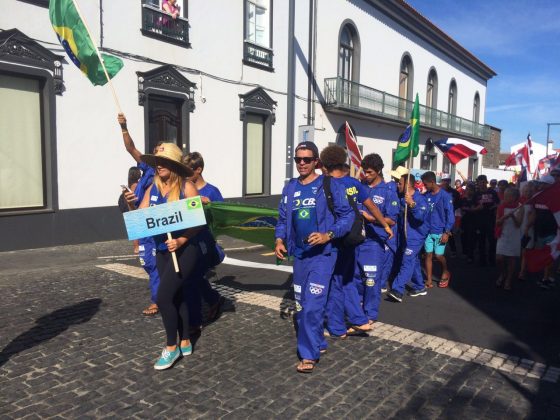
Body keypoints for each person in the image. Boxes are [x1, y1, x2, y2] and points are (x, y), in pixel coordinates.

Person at [126, 143, 209, 370]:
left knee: (163, 297)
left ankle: (171, 347)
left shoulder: (186, 187)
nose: (159, 166)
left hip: (184, 250)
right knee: (176, 296)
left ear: (173, 165)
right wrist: (131, 203)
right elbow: (141, 219)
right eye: (157, 163)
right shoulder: (153, 188)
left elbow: (199, 223)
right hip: (162, 250)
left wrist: (181, 240)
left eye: (163, 163)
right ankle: (184, 338)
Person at [274, 141, 353, 373]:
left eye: (307, 159)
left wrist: (328, 235)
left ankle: (308, 355)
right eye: (298, 159)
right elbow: (282, 219)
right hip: (300, 255)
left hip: (324, 256)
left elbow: (347, 217)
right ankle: (318, 341)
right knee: (302, 305)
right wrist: (279, 240)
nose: (301, 163)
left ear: (316, 161)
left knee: (312, 306)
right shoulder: (290, 187)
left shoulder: (328, 185)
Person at [319, 146, 393, 338]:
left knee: (339, 281)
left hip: (336, 238)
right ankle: (341, 325)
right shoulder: (354, 183)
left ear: (325, 166)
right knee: (343, 279)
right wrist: (385, 225)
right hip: (354, 238)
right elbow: (372, 206)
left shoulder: (327, 184)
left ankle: (353, 321)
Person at [118, 113, 161, 317]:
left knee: (153, 265)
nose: (156, 159)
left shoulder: (164, 176)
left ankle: (157, 300)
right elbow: (130, 148)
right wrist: (124, 127)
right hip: (141, 220)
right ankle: (161, 295)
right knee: (147, 262)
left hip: (156, 223)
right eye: (154, 155)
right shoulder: (147, 169)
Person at [182, 152, 225, 335]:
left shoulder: (212, 192)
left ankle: (195, 321)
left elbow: (223, 218)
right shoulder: (182, 189)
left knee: (192, 278)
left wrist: (208, 206)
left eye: (187, 171)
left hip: (205, 243)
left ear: (198, 170)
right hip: (186, 241)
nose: (183, 175)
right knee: (192, 279)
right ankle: (213, 300)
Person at [358, 153, 399, 324]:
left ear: (378, 171)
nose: (366, 176)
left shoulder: (389, 191)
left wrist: (371, 218)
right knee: (356, 278)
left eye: (369, 173)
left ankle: (370, 315)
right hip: (356, 240)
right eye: (364, 172)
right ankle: (356, 312)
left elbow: (392, 219)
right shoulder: (360, 187)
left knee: (371, 280)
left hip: (375, 241)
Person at [387, 173, 429, 302]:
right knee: (413, 261)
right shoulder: (401, 198)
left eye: (400, 183)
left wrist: (412, 204)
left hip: (416, 236)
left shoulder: (420, 199)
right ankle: (420, 286)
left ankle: (397, 290)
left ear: (407, 185)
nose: (397, 185)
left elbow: (420, 217)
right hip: (404, 235)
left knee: (407, 260)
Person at [422, 172, 455, 288]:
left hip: (440, 231)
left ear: (432, 182)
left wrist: (447, 231)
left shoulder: (445, 196)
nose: (424, 186)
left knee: (438, 255)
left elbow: (450, 215)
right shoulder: (426, 195)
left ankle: (445, 270)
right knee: (428, 255)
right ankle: (429, 280)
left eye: (425, 184)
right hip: (428, 231)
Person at [495, 187, 523, 290]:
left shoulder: (520, 207)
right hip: (502, 235)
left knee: (511, 259)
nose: (505, 198)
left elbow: (518, 224)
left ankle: (508, 279)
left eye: (508, 196)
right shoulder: (501, 207)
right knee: (499, 258)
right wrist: (504, 217)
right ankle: (503, 273)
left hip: (514, 236)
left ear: (515, 197)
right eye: (505, 196)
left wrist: (513, 217)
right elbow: (497, 222)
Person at [473, 174, 500, 267]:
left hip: (491, 220)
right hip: (479, 221)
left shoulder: (492, 192)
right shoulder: (476, 194)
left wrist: (494, 207)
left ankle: (491, 259)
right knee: (481, 241)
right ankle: (482, 260)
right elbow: (472, 207)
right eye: (480, 182)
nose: (482, 184)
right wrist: (477, 208)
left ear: (486, 182)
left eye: (483, 182)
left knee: (492, 241)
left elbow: (498, 204)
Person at [459, 184, 477, 263]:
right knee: (463, 237)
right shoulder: (463, 199)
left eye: (470, 190)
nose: (469, 191)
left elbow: (475, 209)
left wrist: (470, 209)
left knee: (471, 238)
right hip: (464, 221)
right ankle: (464, 252)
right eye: (467, 189)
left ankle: (471, 255)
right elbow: (461, 209)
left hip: (473, 221)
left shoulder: (475, 200)